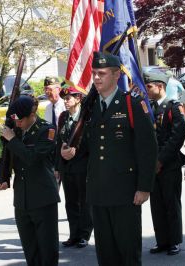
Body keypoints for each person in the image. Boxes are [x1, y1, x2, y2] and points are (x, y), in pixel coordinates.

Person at [61, 52, 157, 265]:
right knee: (106, 254)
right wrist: (70, 150)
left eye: (101, 73)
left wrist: (144, 187)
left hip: (125, 191)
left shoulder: (131, 105)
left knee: (127, 251)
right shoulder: (90, 108)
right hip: (98, 192)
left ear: (115, 75)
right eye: (94, 73)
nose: (96, 78)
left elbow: (147, 149)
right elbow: (86, 145)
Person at [0, 95, 60, 265]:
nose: (18, 124)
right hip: (22, 199)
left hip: (43, 197)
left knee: (47, 249)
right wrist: (1, 177)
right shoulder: (15, 130)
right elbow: (5, 155)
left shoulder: (47, 130)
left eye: (21, 120)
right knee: (30, 249)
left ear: (32, 115)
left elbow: (31, 158)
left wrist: (13, 140)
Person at [143, 70, 185, 256]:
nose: (147, 89)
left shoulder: (173, 108)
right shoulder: (150, 109)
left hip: (169, 166)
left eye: (149, 86)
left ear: (160, 87)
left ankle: (174, 241)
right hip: (153, 166)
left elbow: (177, 137)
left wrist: (161, 160)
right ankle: (162, 240)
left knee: (171, 203)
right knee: (157, 205)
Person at [55, 86, 93, 248]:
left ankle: (84, 234)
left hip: (83, 165)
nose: (65, 101)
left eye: (69, 98)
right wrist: (58, 166)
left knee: (84, 202)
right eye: (64, 98)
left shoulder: (86, 117)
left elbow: (91, 140)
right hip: (67, 166)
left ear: (78, 98)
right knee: (70, 202)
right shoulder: (63, 116)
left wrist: (76, 149)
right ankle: (74, 234)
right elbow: (59, 140)